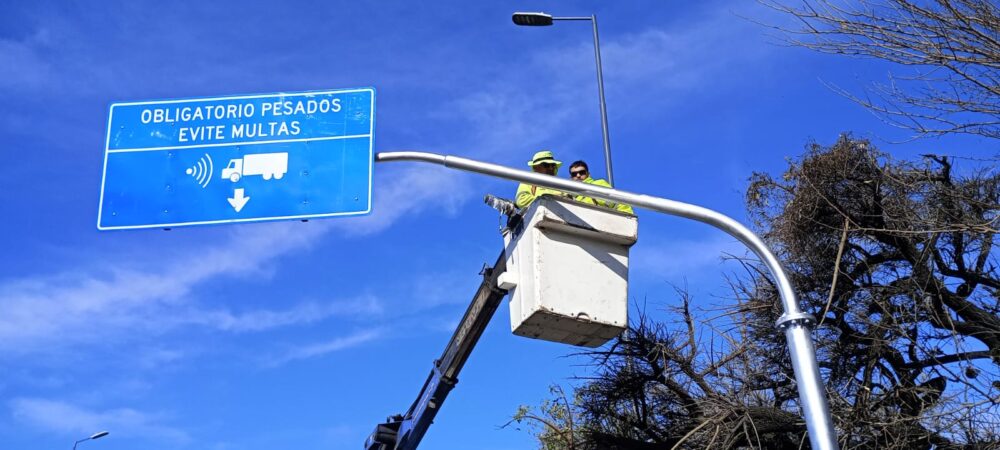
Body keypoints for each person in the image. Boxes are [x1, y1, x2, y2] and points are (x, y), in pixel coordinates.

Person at [568, 160, 634, 214]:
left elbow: (619, 202)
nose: (578, 175)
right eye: (574, 174)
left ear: (588, 174)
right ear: (571, 177)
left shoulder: (598, 184)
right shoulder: (568, 193)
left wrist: (625, 219)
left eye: (582, 172)